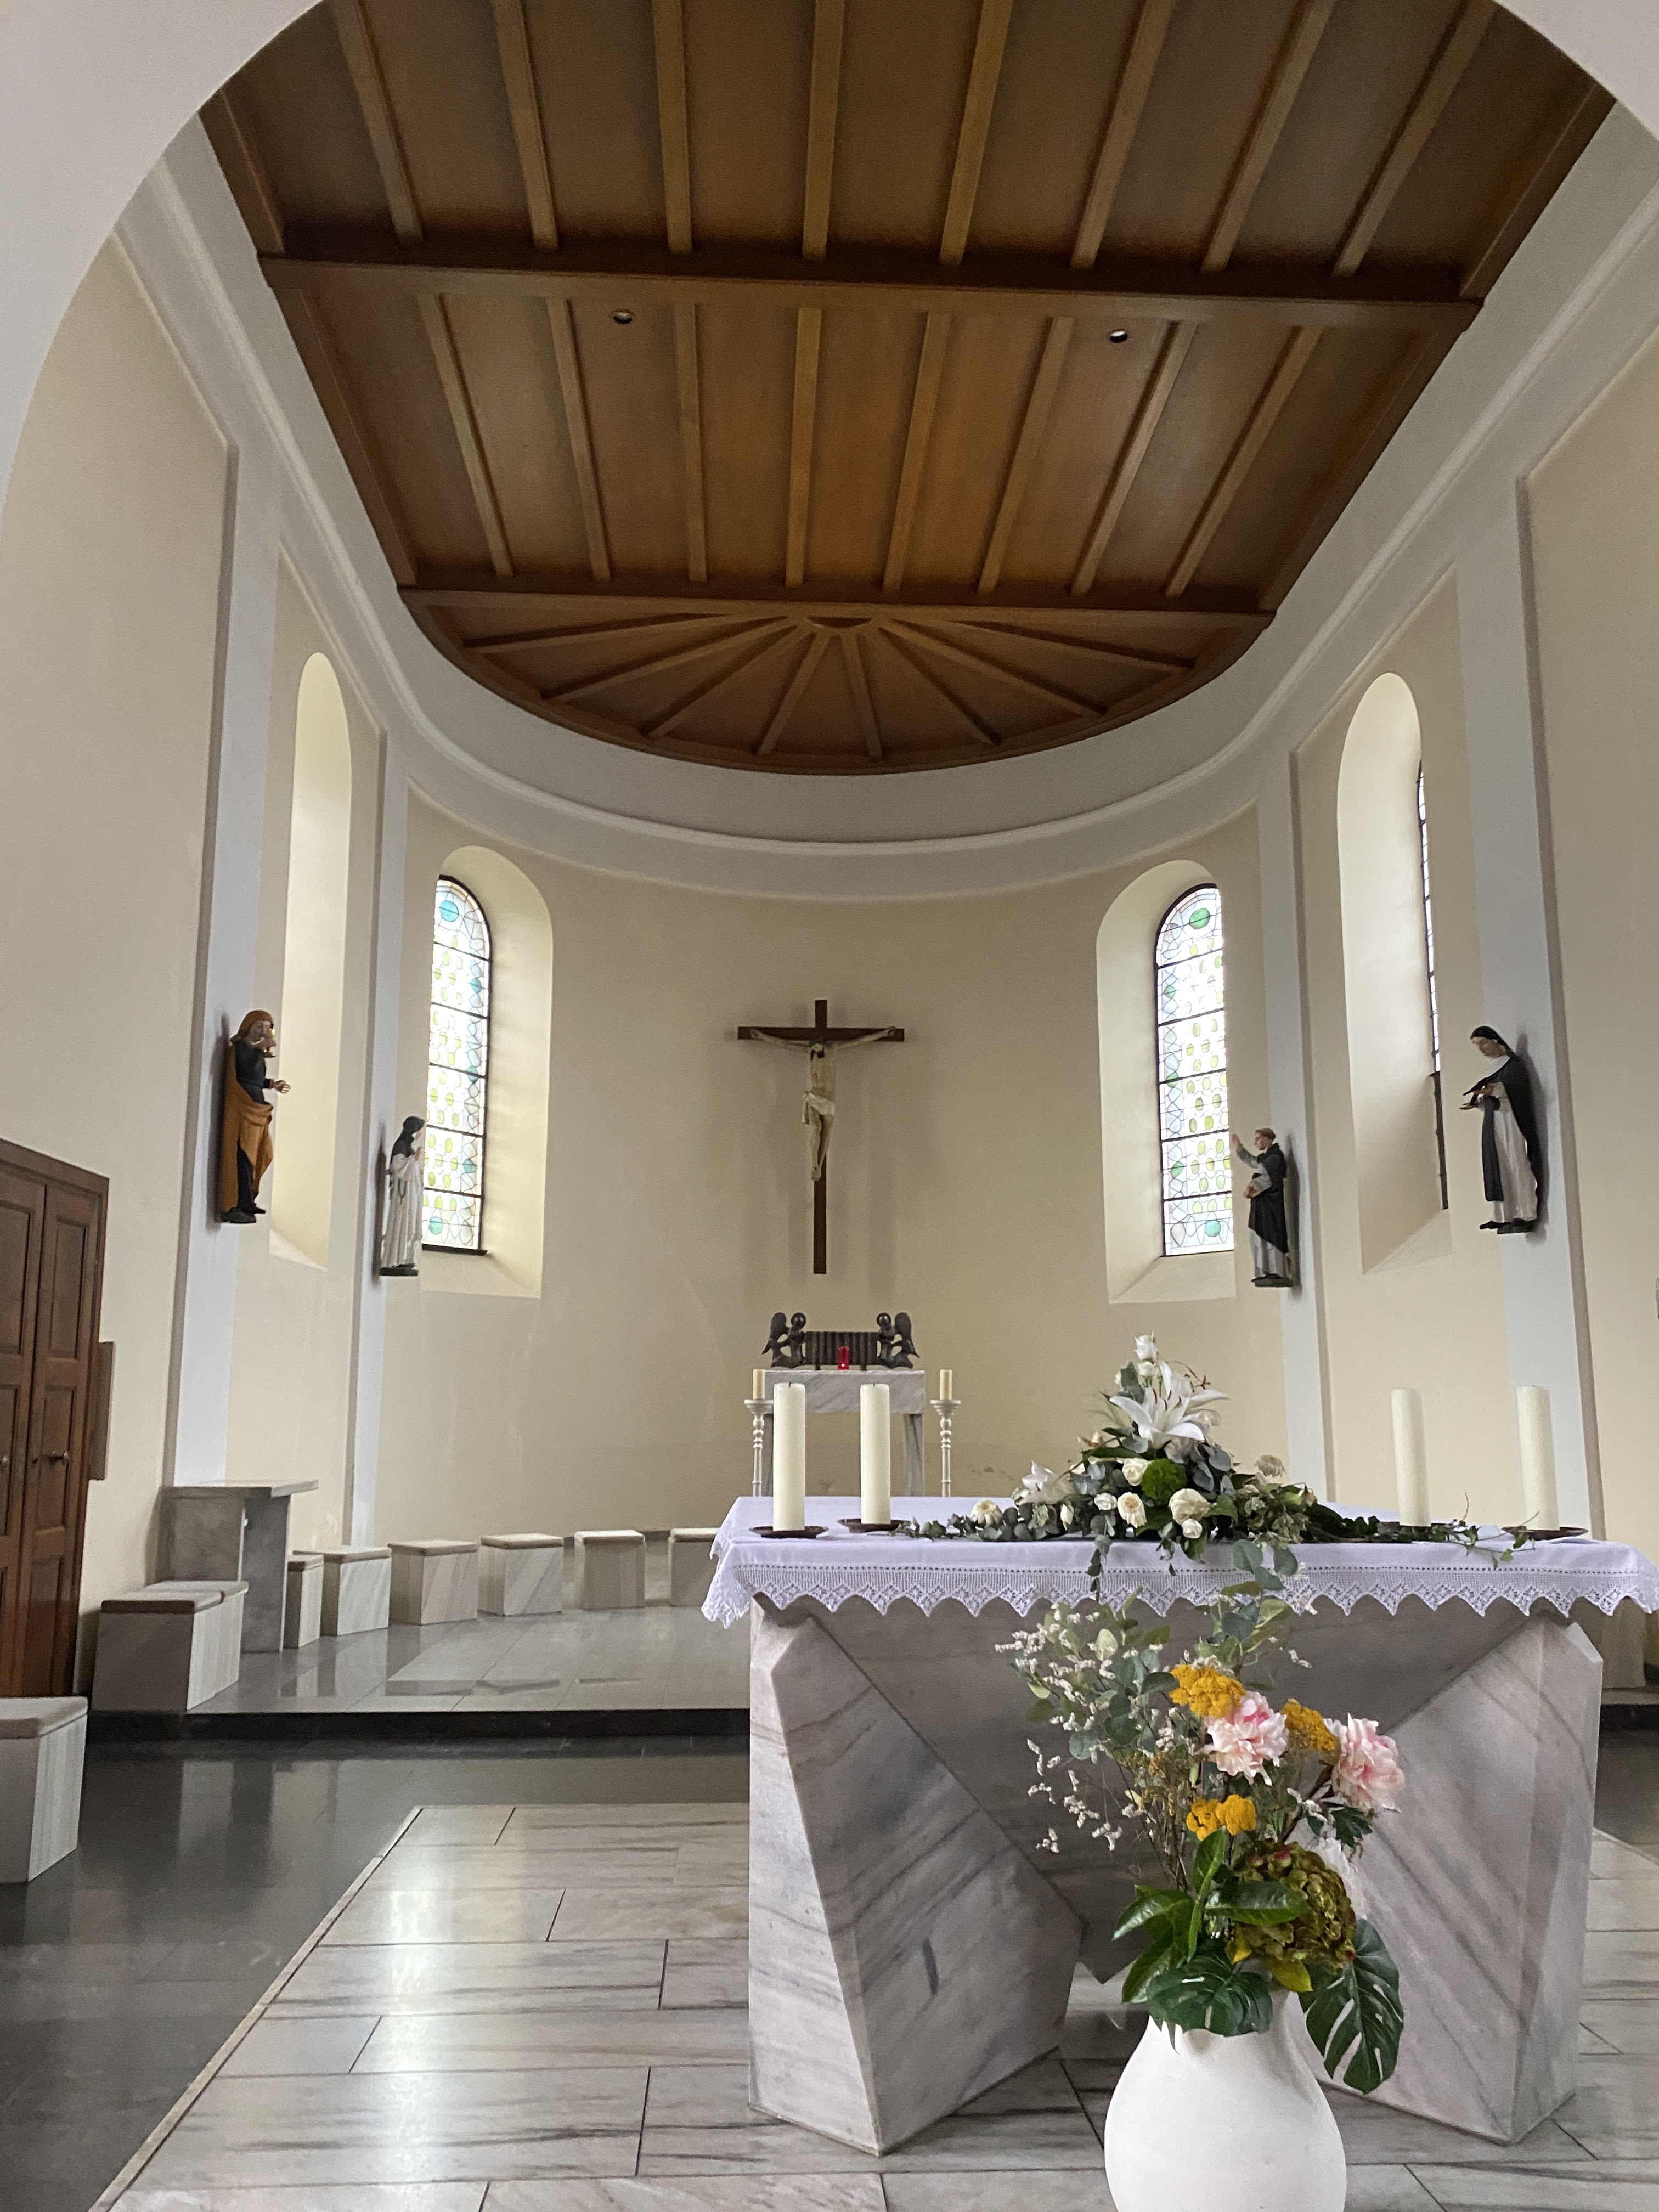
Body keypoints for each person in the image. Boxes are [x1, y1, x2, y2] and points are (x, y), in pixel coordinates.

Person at [1461, 1027, 1541, 1233]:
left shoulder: (1512, 1066)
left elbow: (1514, 1091)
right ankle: (1503, 1214)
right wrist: (1479, 1103)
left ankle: (1526, 1212)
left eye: (1484, 1043)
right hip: (1495, 1122)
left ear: (1496, 1041)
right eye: (1478, 1045)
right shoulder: (1491, 1069)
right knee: (1499, 1167)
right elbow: (1493, 1099)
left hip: (1512, 1121)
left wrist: (1494, 1090)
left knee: (1517, 1164)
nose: (1481, 1049)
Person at [218, 1009, 290, 1224]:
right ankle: (237, 1203)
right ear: (248, 1026)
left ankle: (248, 1200)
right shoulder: (241, 1048)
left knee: (259, 1154)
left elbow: (257, 1078)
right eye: (259, 1026)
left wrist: (273, 1084)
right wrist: (262, 1047)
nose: (262, 1030)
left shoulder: (256, 1052)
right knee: (243, 1156)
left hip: (257, 1106)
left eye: (267, 1027)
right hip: (243, 1106)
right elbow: (245, 1072)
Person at [1231, 1126, 1293, 1287]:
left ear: (1268, 1139)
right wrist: (1239, 1147)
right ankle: (1263, 1271)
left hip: (1271, 1207)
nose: (1256, 1142)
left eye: (1259, 1138)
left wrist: (1252, 1187)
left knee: (1271, 1237)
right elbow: (1254, 1162)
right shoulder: (1267, 1158)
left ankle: (1278, 1271)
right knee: (1257, 1236)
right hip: (1261, 1205)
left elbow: (1268, 1177)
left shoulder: (1275, 1158)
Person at [380, 1116, 426, 1274]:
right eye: (419, 1131)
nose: (419, 1134)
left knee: (410, 1226)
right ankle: (395, 1259)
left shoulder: (409, 1147)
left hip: (411, 1195)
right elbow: (397, 1166)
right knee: (402, 1225)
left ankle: (406, 1258)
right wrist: (414, 1160)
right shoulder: (401, 1145)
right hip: (403, 1195)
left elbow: (412, 1169)